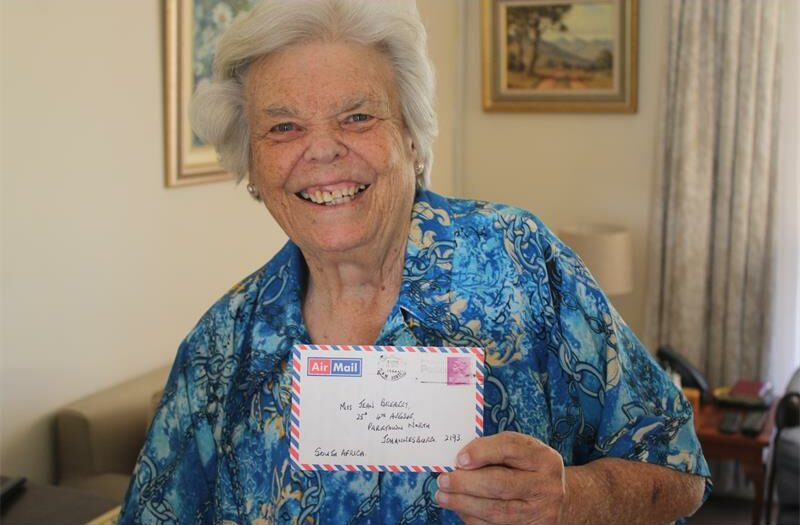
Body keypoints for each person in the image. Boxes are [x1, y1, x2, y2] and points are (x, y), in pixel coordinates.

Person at [118, 1, 710, 523]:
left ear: (412, 137)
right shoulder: (224, 346)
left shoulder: (518, 260)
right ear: (252, 166)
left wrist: (575, 499)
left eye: (357, 117)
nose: (321, 150)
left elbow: (678, 468)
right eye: (283, 127)